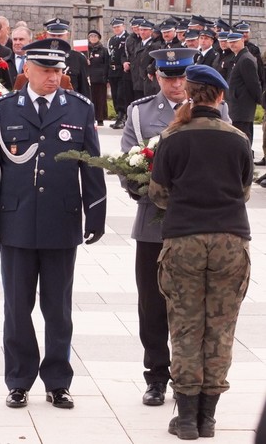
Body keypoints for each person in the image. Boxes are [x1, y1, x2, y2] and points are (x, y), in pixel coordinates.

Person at [0, 38, 107, 409]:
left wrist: (95, 212)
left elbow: (91, 165)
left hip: (61, 221)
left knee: (58, 309)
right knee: (17, 309)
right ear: (27, 70)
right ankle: (18, 380)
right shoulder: (2, 109)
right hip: (15, 222)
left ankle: (57, 381)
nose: (54, 77)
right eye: (46, 70)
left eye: (58, 70)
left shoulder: (79, 109)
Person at [148, 64, 253, 440]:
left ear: (189, 93)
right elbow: (243, 191)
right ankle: (208, 417)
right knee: (221, 329)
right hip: (230, 241)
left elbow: (158, 194)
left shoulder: (172, 139)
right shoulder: (238, 138)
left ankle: (187, 418)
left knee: (186, 326)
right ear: (221, 96)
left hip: (184, 241)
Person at [120, 48, 199, 407]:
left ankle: (188, 377)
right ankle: (155, 376)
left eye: (182, 76)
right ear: (156, 77)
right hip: (152, 225)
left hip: (194, 225)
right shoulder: (140, 113)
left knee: (190, 304)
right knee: (151, 306)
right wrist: (144, 183)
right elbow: (127, 163)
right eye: (169, 77)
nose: (176, 84)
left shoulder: (209, 109)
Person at [227, 32, 262, 145]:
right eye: (230, 42)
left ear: (242, 40)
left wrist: (260, 100)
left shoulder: (245, 59)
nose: (232, 45)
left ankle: (246, 162)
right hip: (238, 107)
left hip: (242, 107)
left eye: (235, 42)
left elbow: (253, 84)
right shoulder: (239, 57)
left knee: (242, 139)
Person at [44, 17, 90, 98]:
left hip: (70, 107)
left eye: (60, 35)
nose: (56, 39)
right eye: (53, 35)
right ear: (46, 35)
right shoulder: (39, 57)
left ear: (67, 35)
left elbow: (85, 91)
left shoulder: (78, 58)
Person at [107, 17, 129, 129]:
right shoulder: (111, 40)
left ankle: (122, 117)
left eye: (118, 27)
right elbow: (109, 55)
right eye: (114, 27)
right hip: (113, 71)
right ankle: (118, 116)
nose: (116, 29)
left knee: (121, 95)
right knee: (115, 95)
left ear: (123, 26)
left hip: (122, 70)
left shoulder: (128, 38)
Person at [87, 29, 109, 126]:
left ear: (99, 38)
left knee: (100, 99)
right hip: (88, 78)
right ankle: (89, 117)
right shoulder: (85, 50)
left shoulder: (103, 50)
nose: (93, 38)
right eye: (91, 36)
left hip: (100, 78)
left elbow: (107, 64)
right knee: (89, 98)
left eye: (95, 36)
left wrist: (107, 78)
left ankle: (100, 118)